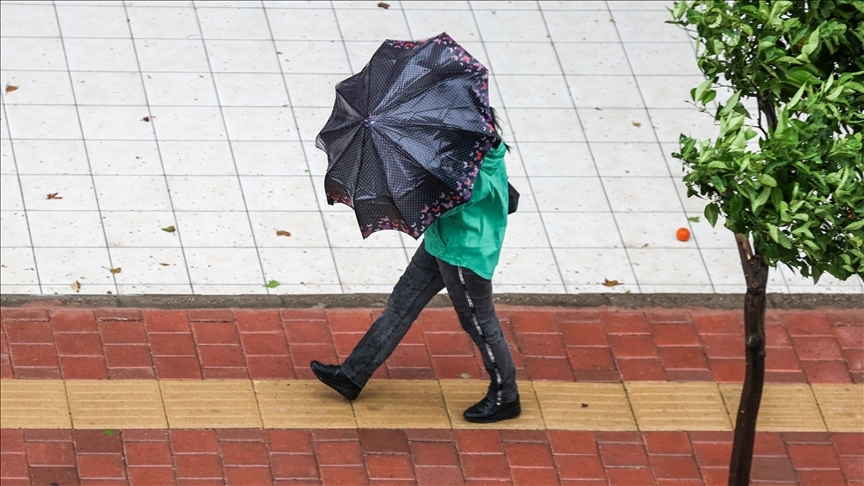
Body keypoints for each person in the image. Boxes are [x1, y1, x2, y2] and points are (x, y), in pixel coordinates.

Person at [311, 110, 519, 424]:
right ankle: (352, 375)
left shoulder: (465, 169)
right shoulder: (482, 144)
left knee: (480, 325)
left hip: (464, 254)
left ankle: (506, 396)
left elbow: (431, 207)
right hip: (442, 243)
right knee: (401, 304)